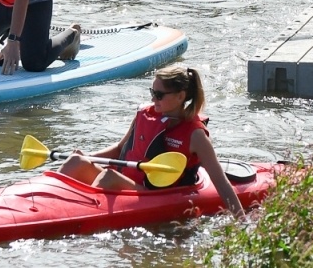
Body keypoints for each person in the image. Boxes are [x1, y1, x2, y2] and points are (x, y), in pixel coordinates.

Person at [58, 63, 247, 220]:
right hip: (128, 182)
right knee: (76, 161)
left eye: (159, 95)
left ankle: (71, 216)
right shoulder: (145, 115)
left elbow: (220, 182)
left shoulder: (195, 135)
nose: (152, 99)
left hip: (152, 194)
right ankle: (45, 202)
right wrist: (88, 157)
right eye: (152, 92)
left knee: (109, 177)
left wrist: (241, 220)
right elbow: (119, 149)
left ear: (180, 96)